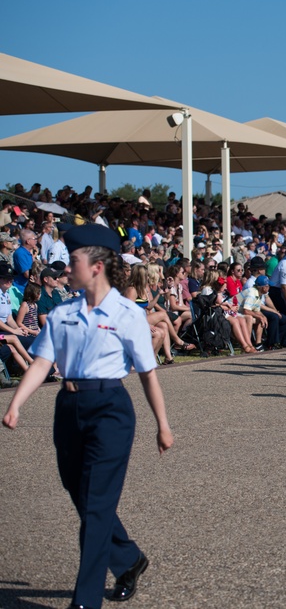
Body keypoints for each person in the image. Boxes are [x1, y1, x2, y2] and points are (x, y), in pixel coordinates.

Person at [2, 223, 173, 609]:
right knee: (80, 494)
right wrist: (16, 404)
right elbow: (42, 361)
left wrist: (162, 425)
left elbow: (147, 373)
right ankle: (128, 558)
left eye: (73, 260)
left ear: (96, 265)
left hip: (110, 408)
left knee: (96, 506)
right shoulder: (63, 313)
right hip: (69, 408)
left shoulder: (127, 313)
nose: (66, 268)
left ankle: (86, 600)